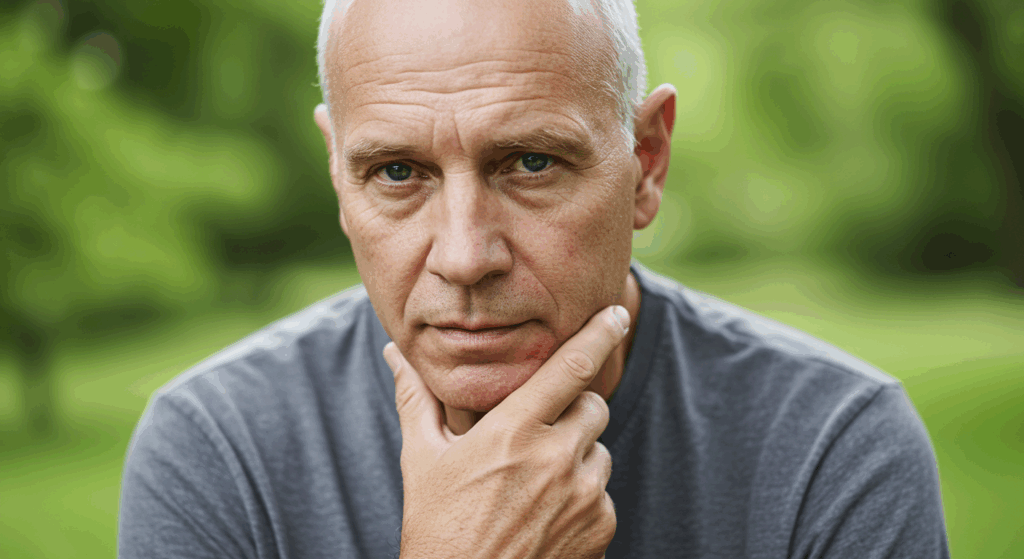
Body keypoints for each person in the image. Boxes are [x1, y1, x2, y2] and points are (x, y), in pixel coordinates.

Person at [117, 0, 951, 557]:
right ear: (339, 175)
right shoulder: (219, 452)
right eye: (399, 173)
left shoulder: (830, 449)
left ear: (647, 163)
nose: (465, 255)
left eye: (530, 161)